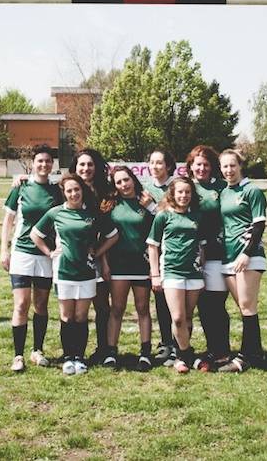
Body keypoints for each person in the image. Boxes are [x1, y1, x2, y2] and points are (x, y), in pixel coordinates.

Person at [31, 173, 118, 375]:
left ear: (82, 191)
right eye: (69, 191)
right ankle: (68, 357)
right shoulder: (55, 213)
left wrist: (97, 250)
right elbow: (35, 234)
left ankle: (79, 357)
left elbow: (113, 236)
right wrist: (50, 252)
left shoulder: (93, 214)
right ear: (64, 193)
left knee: (81, 316)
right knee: (66, 316)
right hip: (63, 272)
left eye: (76, 189)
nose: (73, 194)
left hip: (87, 272)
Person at [0, 145, 62, 373]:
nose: (44, 165)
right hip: (22, 253)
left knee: (41, 305)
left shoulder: (58, 191)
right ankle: (18, 355)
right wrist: (4, 250)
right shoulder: (21, 187)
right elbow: (8, 221)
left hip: (45, 255)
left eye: (48, 161)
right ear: (33, 163)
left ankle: (37, 350)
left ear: (52, 164)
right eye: (40, 161)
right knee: (21, 304)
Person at [146, 177, 205, 374]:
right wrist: (155, 275)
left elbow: (201, 246)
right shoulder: (163, 216)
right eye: (180, 192)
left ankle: (183, 355)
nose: (184, 196)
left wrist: (201, 268)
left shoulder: (197, 215)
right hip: (172, 271)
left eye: (187, 192)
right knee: (178, 318)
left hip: (194, 273)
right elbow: (153, 246)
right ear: (172, 194)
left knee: (188, 317)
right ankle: (184, 355)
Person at [100, 166, 155, 372]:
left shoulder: (146, 202)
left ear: (133, 179)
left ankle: (145, 353)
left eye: (126, 180)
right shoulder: (109, 206)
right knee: (117, 308)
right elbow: (103, 237)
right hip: (118, 265)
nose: (124, 185)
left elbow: (159, 230)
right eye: (119, 182)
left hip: (141, 264)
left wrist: (154, 265)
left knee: (142, 308)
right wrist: (104, 262)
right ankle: (111, 352)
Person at [217, 149, 267, 373]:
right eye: (225, 166)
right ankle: (256, 353)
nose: (229, 170)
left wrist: (247, 253)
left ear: (240, 166)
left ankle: (245, 357)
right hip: (228, 257)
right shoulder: (224, 192)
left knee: (248, 306)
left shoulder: (252, 191)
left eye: (232, 165)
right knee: (243, 307)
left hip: (248, 256)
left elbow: (259, 225)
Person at [185, 145, 232, 371]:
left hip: (215, 255)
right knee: (201, 306)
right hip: (189, 257)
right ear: (190, 167)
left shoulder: (222, 187)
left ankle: (221, 349)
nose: (202, 168)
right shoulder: (185, 188)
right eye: (198, 164)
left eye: (205, 164)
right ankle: (206, 349)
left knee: (215, 304)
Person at [67, 149, 114, 364]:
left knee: (102, 304)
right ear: (75, 167)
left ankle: (104, 349)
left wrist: (101, 258)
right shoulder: (67, 189)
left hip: (101, 254)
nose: (86, 169)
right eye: (81, 165)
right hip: (73, 259)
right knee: (74, 307)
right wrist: (22, 178)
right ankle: (73, 352)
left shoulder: (105, 194)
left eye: (90, 165)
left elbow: (105, 232)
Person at [140, 148, 178, 366]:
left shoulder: (175, 188)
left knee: (175, 299)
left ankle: (177, 342)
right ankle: (165, 342)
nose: (155, 167)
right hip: (151, 250)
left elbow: (171, 216)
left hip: (172, 250)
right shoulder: (144, 188)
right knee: (159, 298)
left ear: (169, 166)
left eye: (159, 163)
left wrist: (152, 207)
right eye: (152, 162)